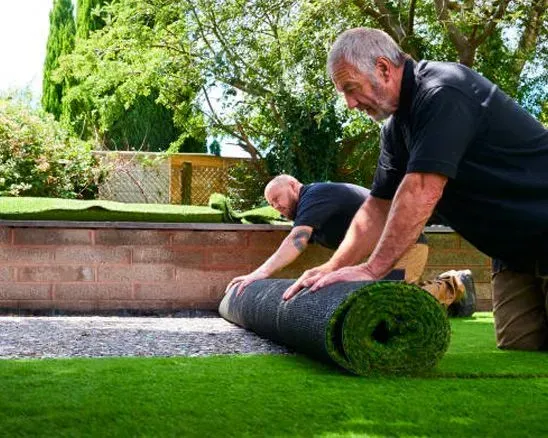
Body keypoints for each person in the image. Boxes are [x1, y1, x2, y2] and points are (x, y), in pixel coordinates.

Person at [283, 28, 548, 351]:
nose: (350, 104)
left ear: (383, 68)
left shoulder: (443, 91)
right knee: (519, 353)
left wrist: (372, 269)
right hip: (512, 254)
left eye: (351, 89)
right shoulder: (396, 129)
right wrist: (331, 267)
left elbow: (421, 188)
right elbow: (377, 207)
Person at [225, 174, 476, 316]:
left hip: (405, 243)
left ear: (293, 185)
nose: (276, 207)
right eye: (271, 204)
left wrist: (259, 273)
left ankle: (453, 285)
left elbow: (296, 241)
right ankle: (446, 296)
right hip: (376, 257)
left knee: (391, 303)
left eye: (277, 198)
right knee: (371, 304)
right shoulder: (312, 211)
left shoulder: (315, 195)